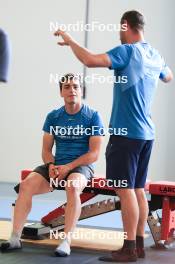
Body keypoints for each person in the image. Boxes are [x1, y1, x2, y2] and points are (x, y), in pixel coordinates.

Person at [54, 10, 173, 262]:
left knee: (125, 190)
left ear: (125, 25)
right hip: (146, 134)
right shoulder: (154, 54)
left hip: (126, 133)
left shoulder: (127, 51)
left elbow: (89, 60)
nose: (119, 33)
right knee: (138, 189)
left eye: (120, 29)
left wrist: (70, 40)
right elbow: (168, 77)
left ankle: (129, 247)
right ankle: (139, 244)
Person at [0, 73, 104, 256]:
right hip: (55, 165)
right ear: (61, 92)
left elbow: (94, 154)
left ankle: (66, 242)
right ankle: (15, 237)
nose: (72, 90)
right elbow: (46, 150)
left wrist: (69, 167)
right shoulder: (53, 116)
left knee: (72, 188)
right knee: (25, 186)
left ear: (82, 90)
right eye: (67, 87)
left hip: (80, 167)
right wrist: (50, 165)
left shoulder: (93, 116)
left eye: (75, 86)